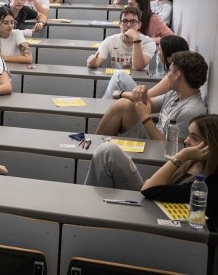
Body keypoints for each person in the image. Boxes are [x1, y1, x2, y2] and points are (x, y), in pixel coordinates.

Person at [85, 113, 218, 225]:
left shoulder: (206, 184)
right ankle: (90, 210)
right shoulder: (192, 161)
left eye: (194, 138)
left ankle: (89, 214)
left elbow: (148, 189)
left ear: (211, 145)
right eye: (188, 135)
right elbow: (149, 186)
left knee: (109, 151)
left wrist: (181, 156)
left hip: (154, 213)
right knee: (108, 150)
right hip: (150, 202)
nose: (186, 141)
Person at [95, 50, 208, 141]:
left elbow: (171, 150)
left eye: (169, 71)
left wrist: (146, 118)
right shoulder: (175, 94)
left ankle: (94, 148)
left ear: (177, 75)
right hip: (153, 135)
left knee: (122, 105)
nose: (167, 75)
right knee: (125, 105)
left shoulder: (191, 111)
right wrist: (143, 93)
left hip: (157, 149)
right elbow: (148, 103)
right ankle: (96, 145)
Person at [102, 35, 189, 100]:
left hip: (151, 110)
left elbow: (146, 97)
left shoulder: (173, 76)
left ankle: (103, 107)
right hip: (154, 105)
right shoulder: (179, 72)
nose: (157, 53)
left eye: (160, 50)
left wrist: (121, 93)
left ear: (168, 53)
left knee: (119, 76)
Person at [87, 6, 156, 70]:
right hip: (117, 80)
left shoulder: (148, 42)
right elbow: (97, 62)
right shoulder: (110, 41)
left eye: (133, 22)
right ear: (120, 24)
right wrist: (92, 63)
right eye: (125, 21)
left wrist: (136, 40)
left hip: (139, 81)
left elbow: (138, 67)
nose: (128, 25)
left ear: (139, 25)